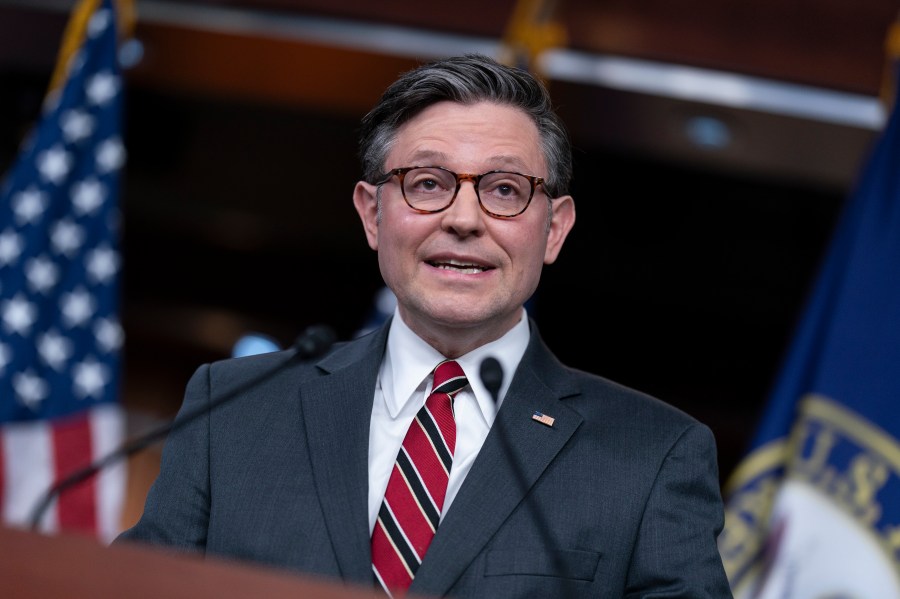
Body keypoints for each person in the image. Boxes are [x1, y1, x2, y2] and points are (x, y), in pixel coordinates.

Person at [116, 53, 732, 598]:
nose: (465, 219)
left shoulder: (652, 456)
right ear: (372, 214)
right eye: (428, 183)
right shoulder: (234, 409)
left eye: (505, 189)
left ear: (555, 228)